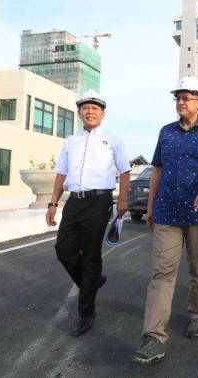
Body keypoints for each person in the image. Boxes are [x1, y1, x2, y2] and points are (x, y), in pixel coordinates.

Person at [133, 76, 198, 365]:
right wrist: (149, 208)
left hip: (197, 212)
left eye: (187, 97)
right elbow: (157, 170)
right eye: (178, 97)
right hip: (166, 213)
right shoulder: (166, 132)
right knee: (162, 273)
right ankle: (154, 337)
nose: (181, 101)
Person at [47, 89, 131, 337]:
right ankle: (91, 281)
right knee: (63, 249)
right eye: (85, 108)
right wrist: (53, 204)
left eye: (95, 108)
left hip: (99, 201)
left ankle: (86, 313)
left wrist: (123, 199)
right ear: (80, 113)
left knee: (91, 254)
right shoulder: (71, 141)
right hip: (74, 201)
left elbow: (125, 171)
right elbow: (61, 173)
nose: (90, 111)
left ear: (102, 114)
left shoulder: (113, 140)